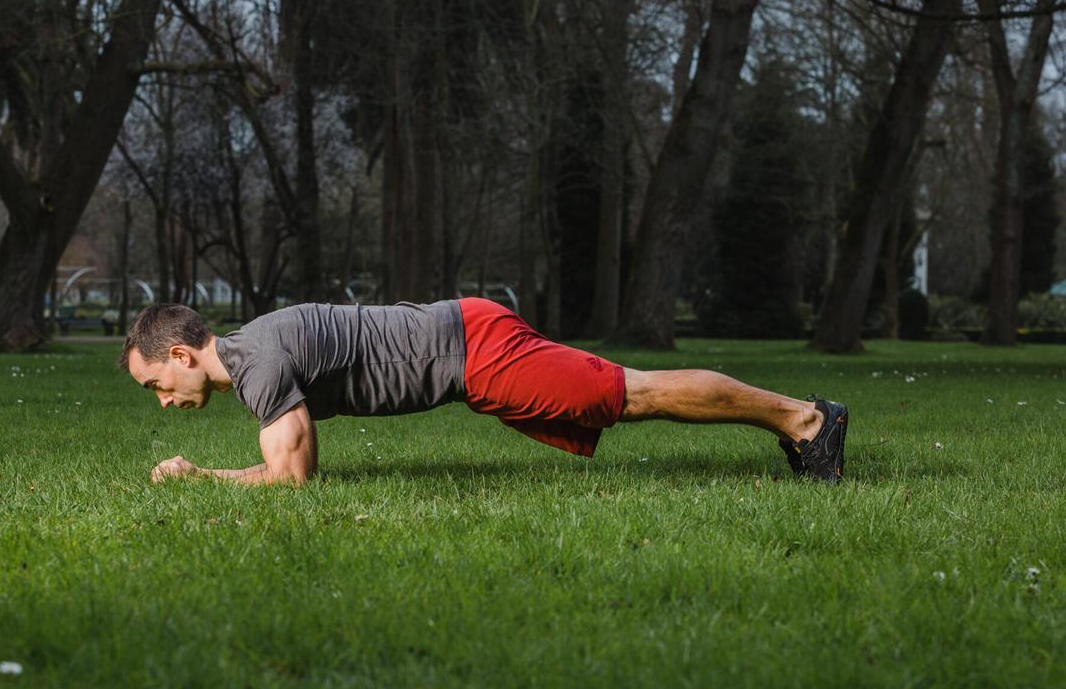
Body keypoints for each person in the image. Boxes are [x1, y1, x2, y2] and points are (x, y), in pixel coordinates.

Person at [120, 300, 847, 487]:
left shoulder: (255, 362)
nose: (162, 399)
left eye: (156, 384)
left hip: (476, 351)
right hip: (469, 346)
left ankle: (806, 421)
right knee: (628, 396)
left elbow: (291, 479)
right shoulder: (254, 350)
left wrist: (199, 476)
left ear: (180, 355)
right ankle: (800, 423)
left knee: (632, 393)